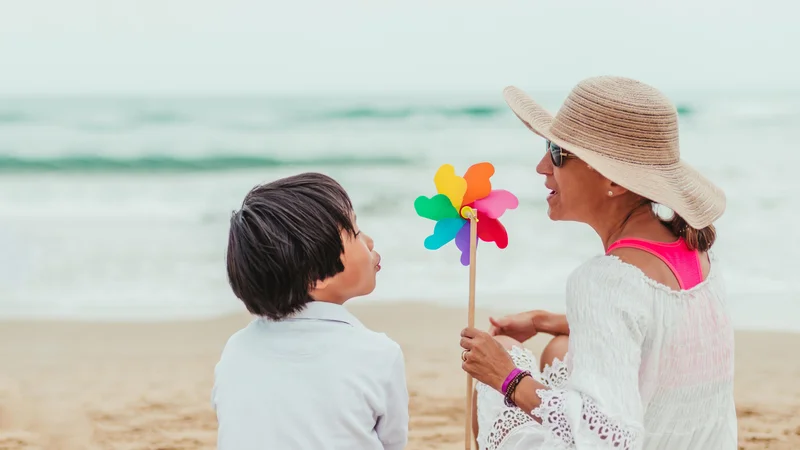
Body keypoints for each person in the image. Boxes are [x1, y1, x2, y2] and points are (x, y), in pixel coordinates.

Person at [459, 76, 736, 449]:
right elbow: (657, 330)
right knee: (560, 347)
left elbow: (610, 438)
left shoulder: (604, 281)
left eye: (557, 152)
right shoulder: (696, 252)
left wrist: (507, 379)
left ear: (613, 181)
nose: (542, 166)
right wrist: (545, 320)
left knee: (505, 350)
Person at [212, 173, 409, 450]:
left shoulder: (235, 351)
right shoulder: (380, 354)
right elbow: (393, 444)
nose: (370, 240)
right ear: (317, 275)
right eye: (354, 232)